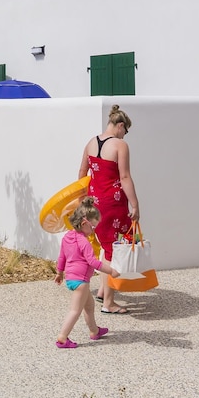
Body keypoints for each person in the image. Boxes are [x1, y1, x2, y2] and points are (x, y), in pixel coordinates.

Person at [78, 104, 139, 314]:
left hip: (94, 202)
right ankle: (109, 303)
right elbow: (124, 177)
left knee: (106, 245)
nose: (125, 135)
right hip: (112, 203)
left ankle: (104, 290)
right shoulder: (120, 146)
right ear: (120, 125)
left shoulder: (90, 143)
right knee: (114, 250)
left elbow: (82, 173)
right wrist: (135, 204)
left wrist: (83, 201)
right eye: (126, 130)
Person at [55, 199, 120, 348]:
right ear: (84, 224)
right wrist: (111, 271)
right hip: (81, 282)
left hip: (72, 280)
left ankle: (94, 331)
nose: (94, 230)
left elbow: (62, 257)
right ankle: (62, 338)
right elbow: (93, 262)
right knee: (75, 310)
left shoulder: (67, 238)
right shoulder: (84, 242)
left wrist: (59, 273)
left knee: (89, 306)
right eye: (93, 227)